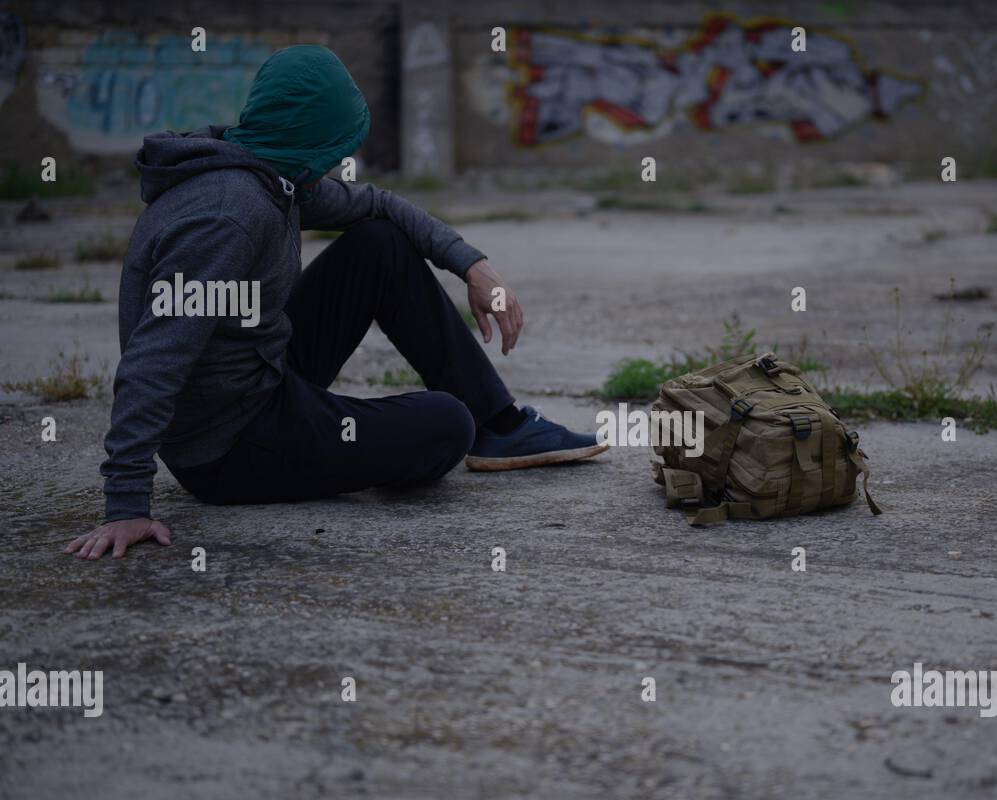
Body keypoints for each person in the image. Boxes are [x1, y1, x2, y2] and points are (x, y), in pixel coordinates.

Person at [65, 45, 604, 561]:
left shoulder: (269, 172)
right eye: (335, 149)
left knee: (380, 242)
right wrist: (126, 503)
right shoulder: (228, 216)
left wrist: (472, 265)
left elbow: (377, 205)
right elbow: (155, 358)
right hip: (230, 447)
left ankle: (503, 427)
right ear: (309, 138)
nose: (337, 165)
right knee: (443, 423)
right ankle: (457, 426)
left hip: (262, 375)